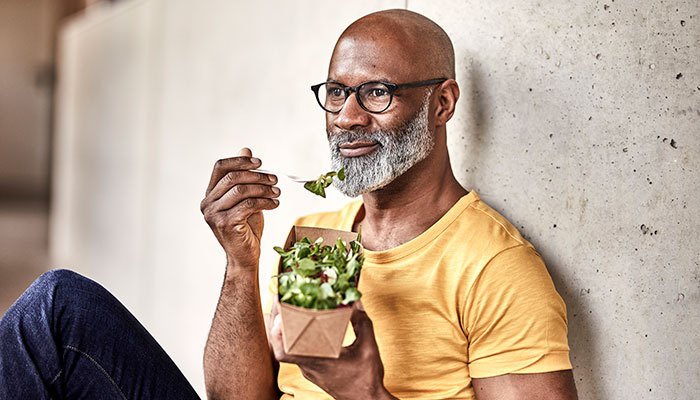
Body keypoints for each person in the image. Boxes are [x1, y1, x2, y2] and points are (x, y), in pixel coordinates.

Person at [0, 9, 577, 400]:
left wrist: (364, 394)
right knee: (57, 308)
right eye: (336, 93)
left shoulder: (495, 267)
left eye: (376, 92)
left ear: (442, 102)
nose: (347, 117)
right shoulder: (320, 238)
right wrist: (240, 262)